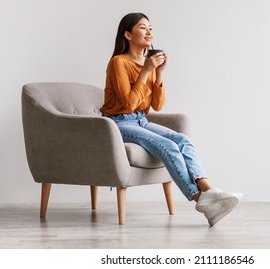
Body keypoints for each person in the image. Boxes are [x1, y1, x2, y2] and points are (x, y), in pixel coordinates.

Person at [100, 12, 242, 226]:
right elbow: (128, 103)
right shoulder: (118, 63)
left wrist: (159, 73)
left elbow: (157, 105)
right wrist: (147, 70)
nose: (149, 31)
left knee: (182, 139)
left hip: (140, 120)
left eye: (150, 27)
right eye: (142, 27)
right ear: (128, 35)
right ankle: (198, 198)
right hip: (118, 123)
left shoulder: (147, 64)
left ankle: (210, 191)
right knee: (168, 146)